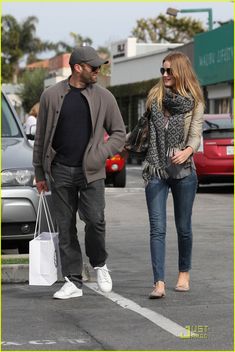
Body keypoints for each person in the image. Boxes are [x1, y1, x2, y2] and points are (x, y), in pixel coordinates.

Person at [33, 46, 126, 299]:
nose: (98, 71)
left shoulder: (105, 97)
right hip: (60, 171)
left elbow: (119, 133)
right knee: (66, 227)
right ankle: (73, 281)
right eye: (94, 67)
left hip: (92, 171)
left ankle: (99, 264)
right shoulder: (51, 96)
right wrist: (39, 172)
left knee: (95, 220)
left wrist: (101, 153)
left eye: (99, 67)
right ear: (77, 68)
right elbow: (41, 137)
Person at [141, 52, 204, 299]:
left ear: (180, 71)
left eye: (169, 71)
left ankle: (184, 274)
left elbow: (196, 134)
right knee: (157, 228)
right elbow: (145, 129)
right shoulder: (154, 98)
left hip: (183, 171)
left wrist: (187, 151)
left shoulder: (195, 101)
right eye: (162, 71)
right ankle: (158, 283)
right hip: (156, 169)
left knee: (183, 227)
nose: (165, 75)